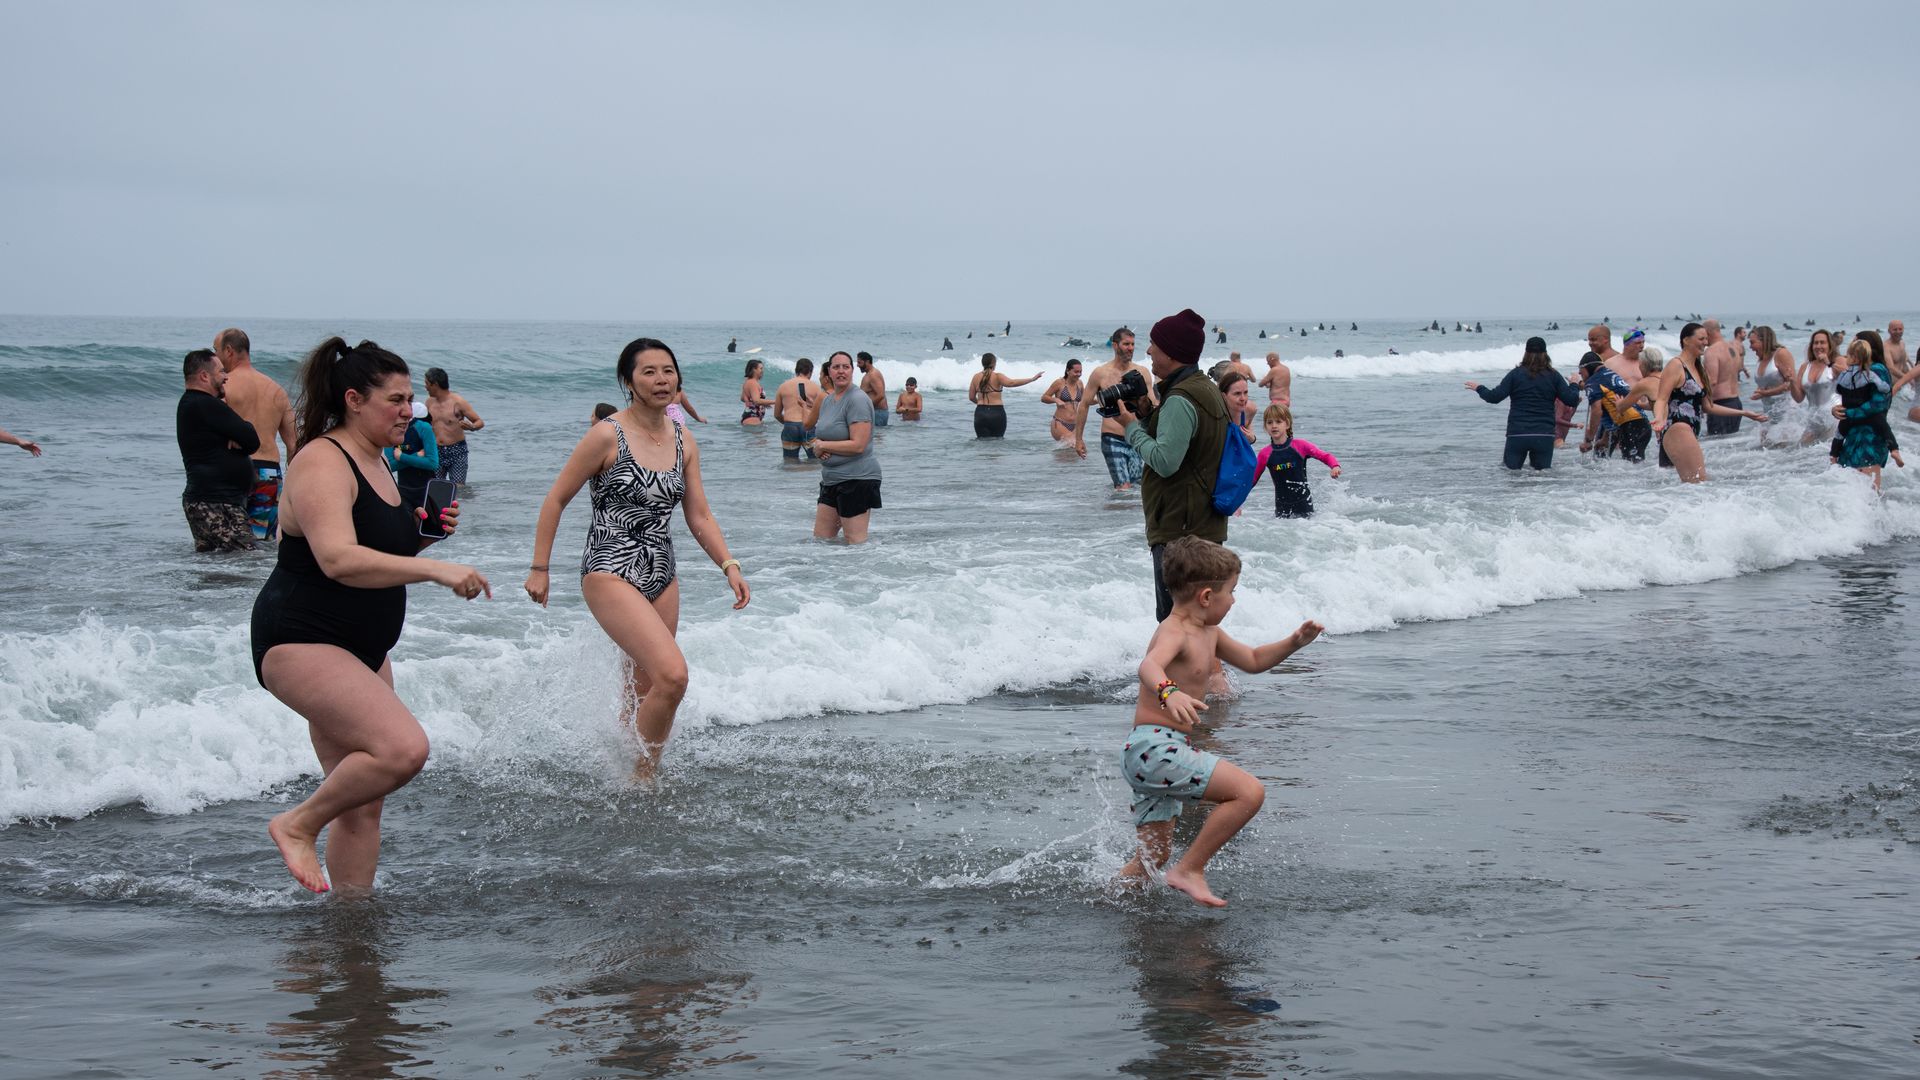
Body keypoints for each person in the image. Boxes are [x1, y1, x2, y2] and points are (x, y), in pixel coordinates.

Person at [255, 337, 489, 893]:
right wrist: (437, 572)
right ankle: (295, 824)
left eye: (410, 400)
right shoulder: (321, 461)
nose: (410, 411)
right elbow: (337, 560)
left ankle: (350, 928)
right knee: (402, 749)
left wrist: (425, 536)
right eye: (397, 400)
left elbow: (380, 554)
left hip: (362, 647)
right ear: (355, 399)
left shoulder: (377, 460)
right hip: (302, 639)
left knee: (361, 805)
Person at [525, 337, 749, 781]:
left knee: (645, 693)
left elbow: (699, 514)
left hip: (661, 573)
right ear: (628, 381)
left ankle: (623, 770)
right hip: (609, 568)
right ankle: (642, 778)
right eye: (649, 371)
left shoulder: (684, 439)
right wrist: (539, 568)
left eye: (668, 370)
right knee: (674, 676)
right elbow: (555, 499)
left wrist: (729, 565)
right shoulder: (607, 433)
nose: (661, 379)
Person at [1116, 536, 1324, 907]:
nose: (1234, 600)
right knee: (1248, 793)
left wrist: (1293, 642)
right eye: (1232, 592)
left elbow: (1254, 659)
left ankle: (1107, 900)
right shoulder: (1174, 630)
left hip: (1155, 752)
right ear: (1207, 597)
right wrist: (1169, 692)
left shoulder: (1209, 633)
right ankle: (1190, 869)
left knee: (1153, 857)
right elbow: (1148, 665)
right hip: (1154, 747)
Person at [1118, 308, 1230, 622]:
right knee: (1199, 622)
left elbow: (1166, 462)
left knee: (1175, 624)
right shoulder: (1206, 390)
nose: (1148, 351)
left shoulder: (1181, 399)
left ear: (1173, 352)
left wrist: (1130, 427)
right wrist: (1146, 415)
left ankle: (1169, 675)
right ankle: (1210, 673)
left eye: (1154, 344)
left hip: (1180, 533)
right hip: (1203, 524)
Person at [1649, 323, 1765, 482]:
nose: (1705, 342)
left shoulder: (1698, 368)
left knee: (1693, 485)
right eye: (1701, 338)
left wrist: (1743, 413)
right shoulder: (1676, 365)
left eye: (1706, 338)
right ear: (1686, 340)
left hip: (1691, 430)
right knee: (1700, 483)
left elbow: (1707, 406)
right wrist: (1659, 418)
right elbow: (1661, 399)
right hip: (1678, 428)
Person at [215, 328, 297, 541]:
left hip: (235, 471)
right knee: (260, 542)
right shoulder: (277, 390)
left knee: (230, 542)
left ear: (229, 351)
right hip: (269, 473)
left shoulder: (225, 386)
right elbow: (293, 443)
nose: (216, 358)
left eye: (217, 351)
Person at [176, 348, 259, 552]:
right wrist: (239, 435)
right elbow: (251, 438)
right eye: (221, 372)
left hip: (210, 501)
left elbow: (246, 439)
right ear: (204, 376)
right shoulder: (204, 404)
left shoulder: (195, 404)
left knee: (217, 566)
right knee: (246, 559)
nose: (226, 377)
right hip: (216, 502)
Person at [1465, 337, 1580, 470]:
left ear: (1526, 353)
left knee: (1511, 475)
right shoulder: (1553, 376)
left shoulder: (1515, 374)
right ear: (1545, 353)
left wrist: (1479, 388)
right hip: (1544, 434)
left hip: (1518, 434)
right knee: (1543, 479)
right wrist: (1574, 384)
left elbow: (1494, 397)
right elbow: (1571, 400)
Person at [805, 351, 882, 543]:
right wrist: (819, 447)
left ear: (852, 371)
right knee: (821, 540)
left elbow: (858, 445)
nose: (841, 371)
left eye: (845, 367)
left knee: (855, 542)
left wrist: (823, 445)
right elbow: (822, 435)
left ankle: (866, 573)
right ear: (828, 371)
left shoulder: (857, 399)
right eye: (836, 367)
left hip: (857, 479)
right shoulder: (827, 401)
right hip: (831, 480)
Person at [1073, 328, 1157, 490]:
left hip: (1137, 437)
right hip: (1112, 437)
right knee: (1123, 487)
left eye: (1133, 344)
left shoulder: (1142, 372)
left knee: (1137, 487)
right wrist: (1078, 439)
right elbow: (1084, 405)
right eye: (1126, 344)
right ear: (1114, 345)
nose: (1130, 348)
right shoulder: (1100, 373)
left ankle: (1116, 512)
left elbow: (1152, 405)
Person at [1830, 333, 1901, 489]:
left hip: (1871, 436)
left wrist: (1849, 414)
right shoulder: (1855, 371)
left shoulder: (1876, 369)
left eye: (1855, 341)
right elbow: (1841, 393)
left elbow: (1878, 404)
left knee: (1870, 490)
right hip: (1853, 434)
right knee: (1851, 489)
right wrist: (1836, 409)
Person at [1255, 405, 1340, 517]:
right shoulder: (1265, 454)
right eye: (1269, 422)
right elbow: (1252, 479)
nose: (1274, 426)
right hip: (1282, 510)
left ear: (1287, 424)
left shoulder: (1300, 446)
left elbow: (1325, 456)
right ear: (1265, 427)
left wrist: (1335, 466)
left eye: (1278, 422)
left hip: (1304, 507)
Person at [1577, 352, 1653, 462]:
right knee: (1634, 466)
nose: (1579, 372)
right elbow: (1613, 412)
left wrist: (1589, 440)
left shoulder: (1593, 381)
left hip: (1631, 426)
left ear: (1588, 367)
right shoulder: (1610, 375)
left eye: (1581, 369)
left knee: (1632, 469)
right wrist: (1605, 438)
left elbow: (1596, 411)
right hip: (1642, 425)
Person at [424, 368, 484, 486]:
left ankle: (458, 504)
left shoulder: (458, 402)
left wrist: (471, 427)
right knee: (434, 487)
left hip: (457, 451)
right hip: (436, 450)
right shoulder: (429, 402)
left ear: (435, 384)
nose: (425, 387)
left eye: (427, 383)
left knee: (458, 488)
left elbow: (479, 421)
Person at [382, 401, 439, 513]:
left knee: (428, 528)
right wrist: (416, 455)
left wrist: (401, 457)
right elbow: (389, 467)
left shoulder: (424, 428)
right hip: (404, 491)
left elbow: (432, 463)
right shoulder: (391, 430)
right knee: (406, 528)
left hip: (426, 489)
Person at [968, 353, 1042, 438]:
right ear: (994, 363)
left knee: (981, 442)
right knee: (997, 443)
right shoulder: (997, 376)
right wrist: (1032, 379)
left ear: (982, 363)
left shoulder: (976, 377)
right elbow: (1012, 383)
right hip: (996, 413)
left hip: (980, 413)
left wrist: (980, 404)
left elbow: (971, 397)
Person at [1746, 326, 1802, 427]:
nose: (1750, 347)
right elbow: (1765, 383)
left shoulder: (1781, 354)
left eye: (1752, 342)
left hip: (1786, 410)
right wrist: (1759, 392)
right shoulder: (1760, 358)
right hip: (1768, 411)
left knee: (1783, 442)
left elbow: (1791, 384)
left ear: (1764, 341)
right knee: (1764, 441)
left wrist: (1765, 393)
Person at [1703, 319, 1749, 436]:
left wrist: (1704, 405)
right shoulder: (1733, 348)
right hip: (1736, 403)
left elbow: (1712, 381)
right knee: (1731, 445)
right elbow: (1738, 369)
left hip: (1721, 405)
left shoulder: (1711, 351)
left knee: (1717, 446)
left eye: (1703, 335)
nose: (1703, 340)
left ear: (1708, 332)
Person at [773, 358, 819, 460]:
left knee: (790, 462)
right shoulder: (815, 387)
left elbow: (777, 414)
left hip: (790, 426)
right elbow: (819, 411)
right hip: (808, 427)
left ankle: (794, 476)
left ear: (796, 370)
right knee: (815, 461)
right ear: (810, 372)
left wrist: (788, 424)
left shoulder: (783, 386)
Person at [1040, 359, 1085, 441]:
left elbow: (1086, 400)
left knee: (1074, 451)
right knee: (1072, 445)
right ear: (1068, 370)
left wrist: (1100, 400)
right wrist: (1055, 399)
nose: (1079, 374)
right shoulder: (1059, 383)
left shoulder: (1080, 383)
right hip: (1060, 423)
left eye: (1080, 372)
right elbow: (1044, 398)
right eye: (1076, 372)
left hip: (1075, 424)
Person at [1217, 370, 1258, 444]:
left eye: (1245, 392)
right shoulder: (1216, 415)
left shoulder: (1250, 410)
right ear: (1224, 396)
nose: (1243, 398)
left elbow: (1249, 438)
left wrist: (1253, 439)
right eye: (1237, 393)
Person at [854, 351, 889, 428]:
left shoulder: (873, 375)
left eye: (859, 362)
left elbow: (881, 395)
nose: (857, 365)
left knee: (876, 438)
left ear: (867, 362)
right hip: (875, 412)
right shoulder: (869, 374)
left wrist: (866, 407)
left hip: (878, 413)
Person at [738, 359, 773, 425]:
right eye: (761, 368)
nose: (762, 371)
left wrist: (762, 403)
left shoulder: (748, 381)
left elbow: (742, 398)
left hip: (750, 416)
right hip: (753, 418)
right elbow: (757, 401)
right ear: (754, 369)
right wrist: (776, 401)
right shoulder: (753, 383)